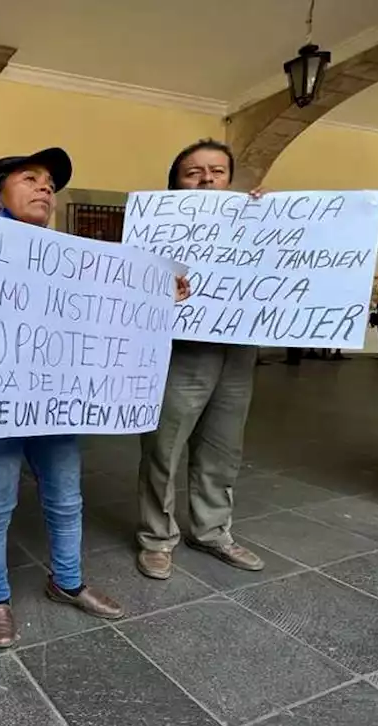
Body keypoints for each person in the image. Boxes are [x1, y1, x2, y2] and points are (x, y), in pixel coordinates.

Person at [0, 148, 186, 647]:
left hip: (53, 402)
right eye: (30, 178)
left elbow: (112, 321)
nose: (46, 187)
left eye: (50, 182)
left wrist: (157, 295)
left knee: (67, 499)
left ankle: (67, 583)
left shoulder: (74, 261)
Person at [136, 140, 265, 579]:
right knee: (163, 448)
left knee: (223, 448)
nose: (207, 179)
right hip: (180, 352)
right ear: (174, 182)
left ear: (230, 178)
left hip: (238, 351)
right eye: (193, 172)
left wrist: (276, 216)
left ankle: (212, 532)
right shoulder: (155, 224)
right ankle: (156, 537)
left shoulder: (256, 220)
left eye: (217, 171)